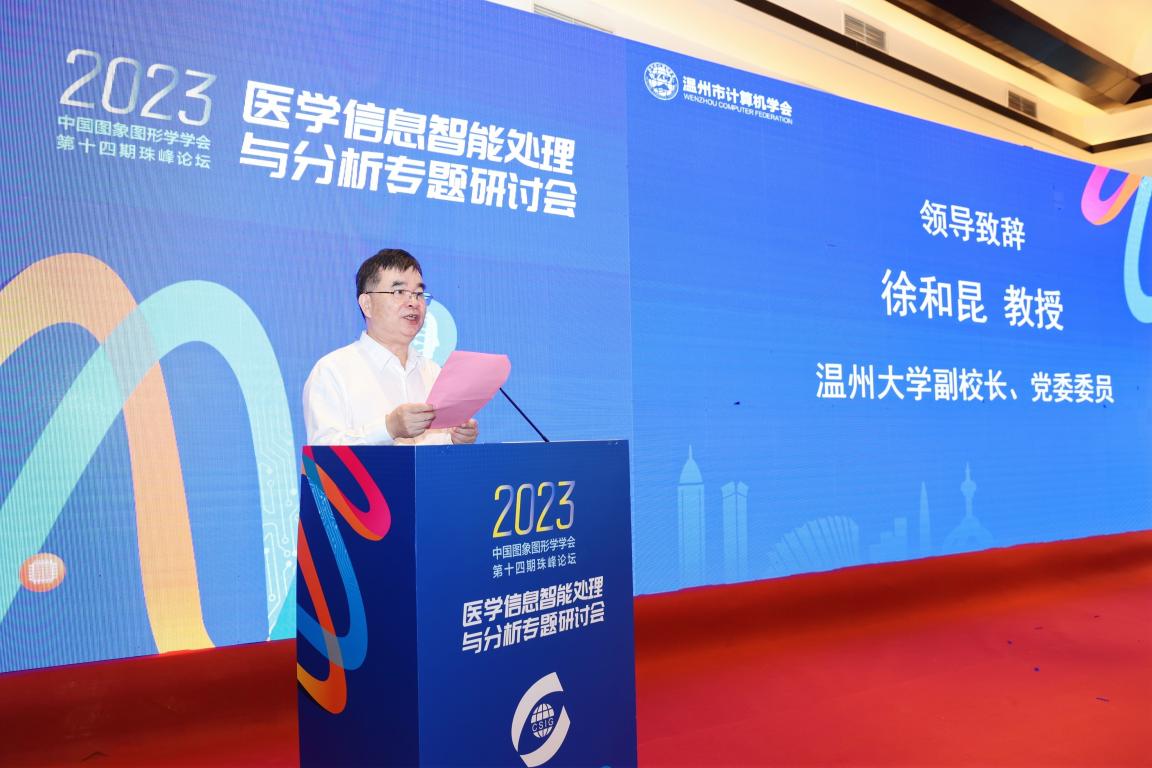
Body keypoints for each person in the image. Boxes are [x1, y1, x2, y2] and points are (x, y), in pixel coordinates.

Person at [303, 248, 479, 446]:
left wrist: (455, 441)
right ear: (367, 304)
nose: (413, 302)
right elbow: (323, 455)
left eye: (419, 294)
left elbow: (438, 451)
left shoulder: (433, 373)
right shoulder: (332, 371)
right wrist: (388, 429)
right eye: (399, 292)